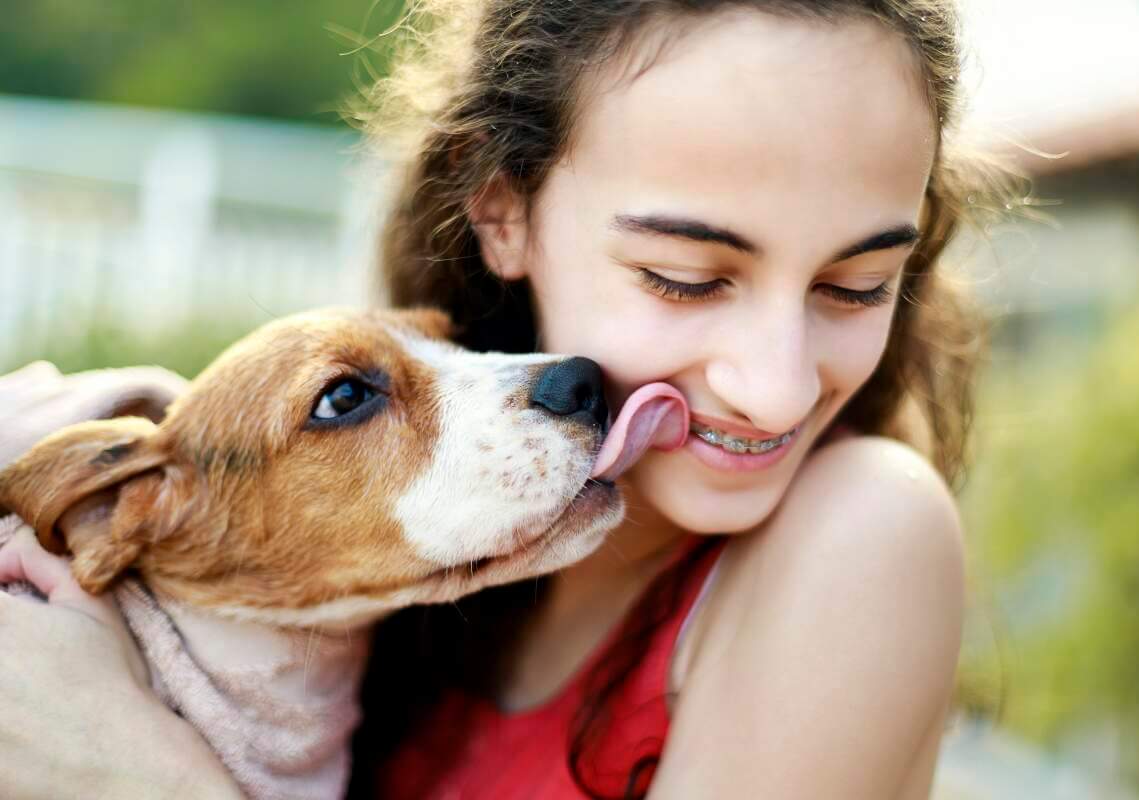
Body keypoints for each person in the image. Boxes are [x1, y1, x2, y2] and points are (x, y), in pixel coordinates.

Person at [0, 0, 1008, 796]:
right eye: (684, 275)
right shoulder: (424, 594)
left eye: (856, 286)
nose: (777, 384)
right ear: (501, 212)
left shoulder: (867, 529)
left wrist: (136, 778)